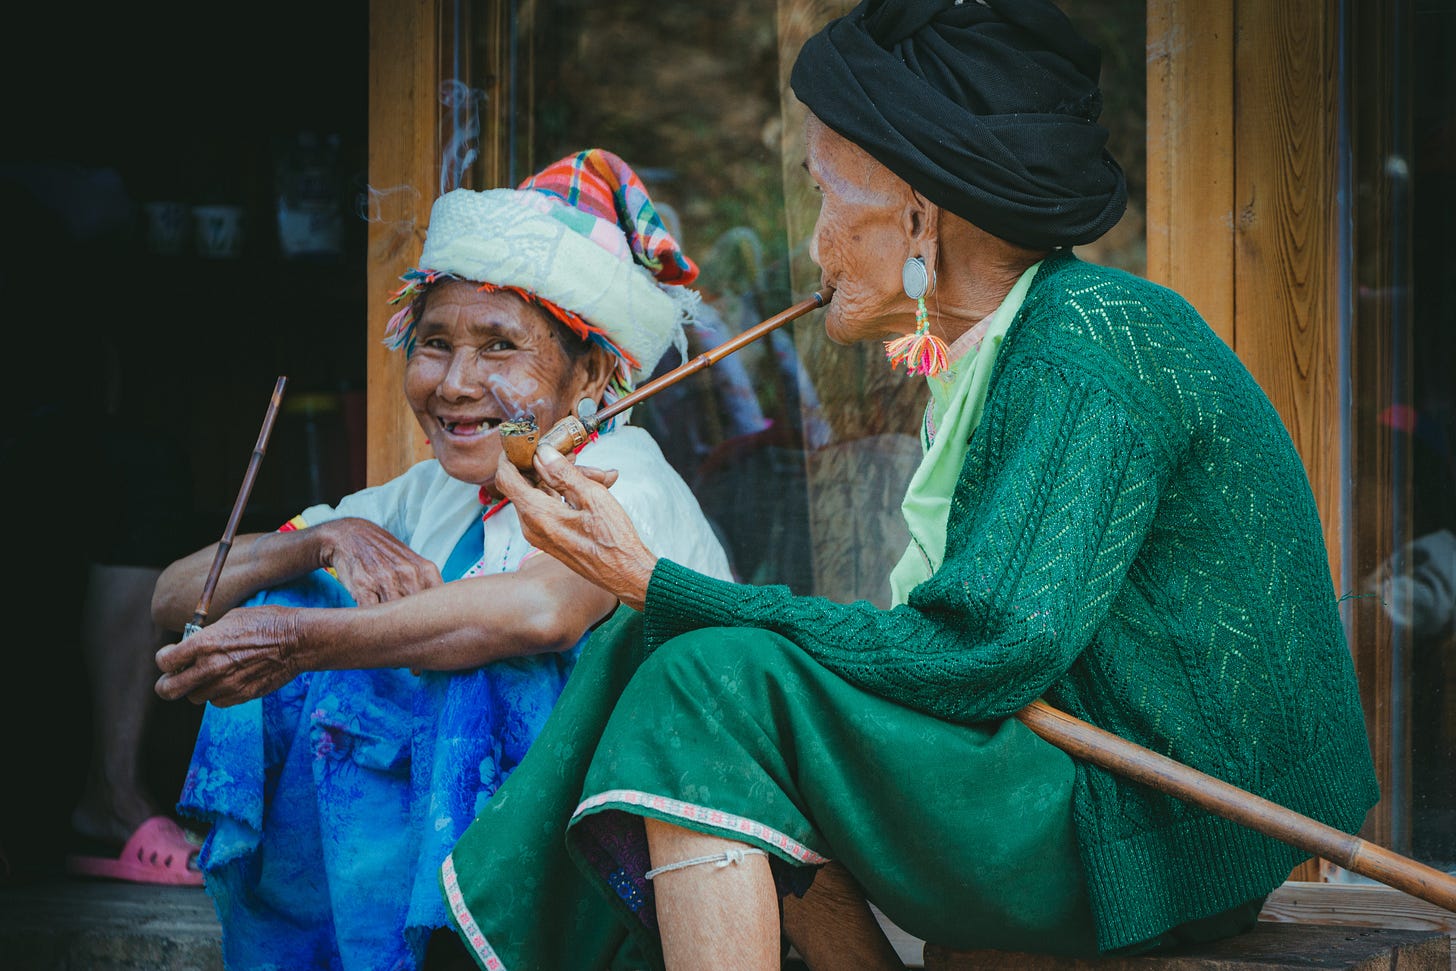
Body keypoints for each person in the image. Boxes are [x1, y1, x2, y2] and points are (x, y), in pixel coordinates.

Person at [436, 3, 1380, 969]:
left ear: (920, 213)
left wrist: (658, 579)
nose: (811, 245)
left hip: (1156, 834)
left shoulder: (1087, 338)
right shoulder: (1006, 351)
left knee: (702, 674)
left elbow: (982, 652)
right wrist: (661, 600)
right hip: (1093, 798)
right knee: (668, 644)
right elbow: (968, 650)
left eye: (822, 196)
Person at [149, 148, 733, 971]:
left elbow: (541, 610)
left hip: (598, 860)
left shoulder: (621, 472)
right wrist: (318, 543)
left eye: (500, 347)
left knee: (451, 652)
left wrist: (296, 641)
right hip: (476, 843)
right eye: (434, 342)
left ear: (593, 373)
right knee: (307, 591)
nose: (456, 382)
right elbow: (175, 599)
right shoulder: (430, 493)